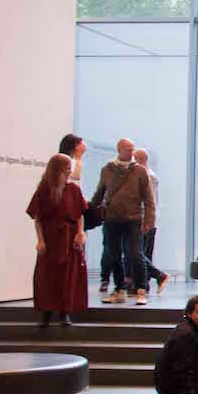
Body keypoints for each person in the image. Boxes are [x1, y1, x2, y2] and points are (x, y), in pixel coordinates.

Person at [90, 138, 156, 305]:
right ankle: (119, 289)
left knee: (135, 253)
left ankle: (141, 289)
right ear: (119, 149)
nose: (131, 153)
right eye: (128, 149)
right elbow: (100, 193)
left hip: (133, 219)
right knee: (113, 255)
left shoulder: (140, 171)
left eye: (132, 149)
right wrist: (88, 210)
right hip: (112, 218)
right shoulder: (108, 169)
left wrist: (149, 219)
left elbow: (149, 198)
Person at [27, 153, 88, 327]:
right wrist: (40, 241)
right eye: (67, 168)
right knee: (46, 276)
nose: (70, 171)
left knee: (68, 276)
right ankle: (46, 312)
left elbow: (79, 215)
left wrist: (80, 233)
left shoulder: (73, 190)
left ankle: (65, 312)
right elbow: (38, 218)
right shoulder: (44, 191)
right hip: (50, 239)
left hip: (69, 240)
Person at [132, 148, 170, 294]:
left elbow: (148, 201)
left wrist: (146, 220)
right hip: (148, 220)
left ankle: (157, 275)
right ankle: (144, 283)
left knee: (136, 252)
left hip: (143, 220)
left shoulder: (145, 176)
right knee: (144, 253)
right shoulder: (151, 176)